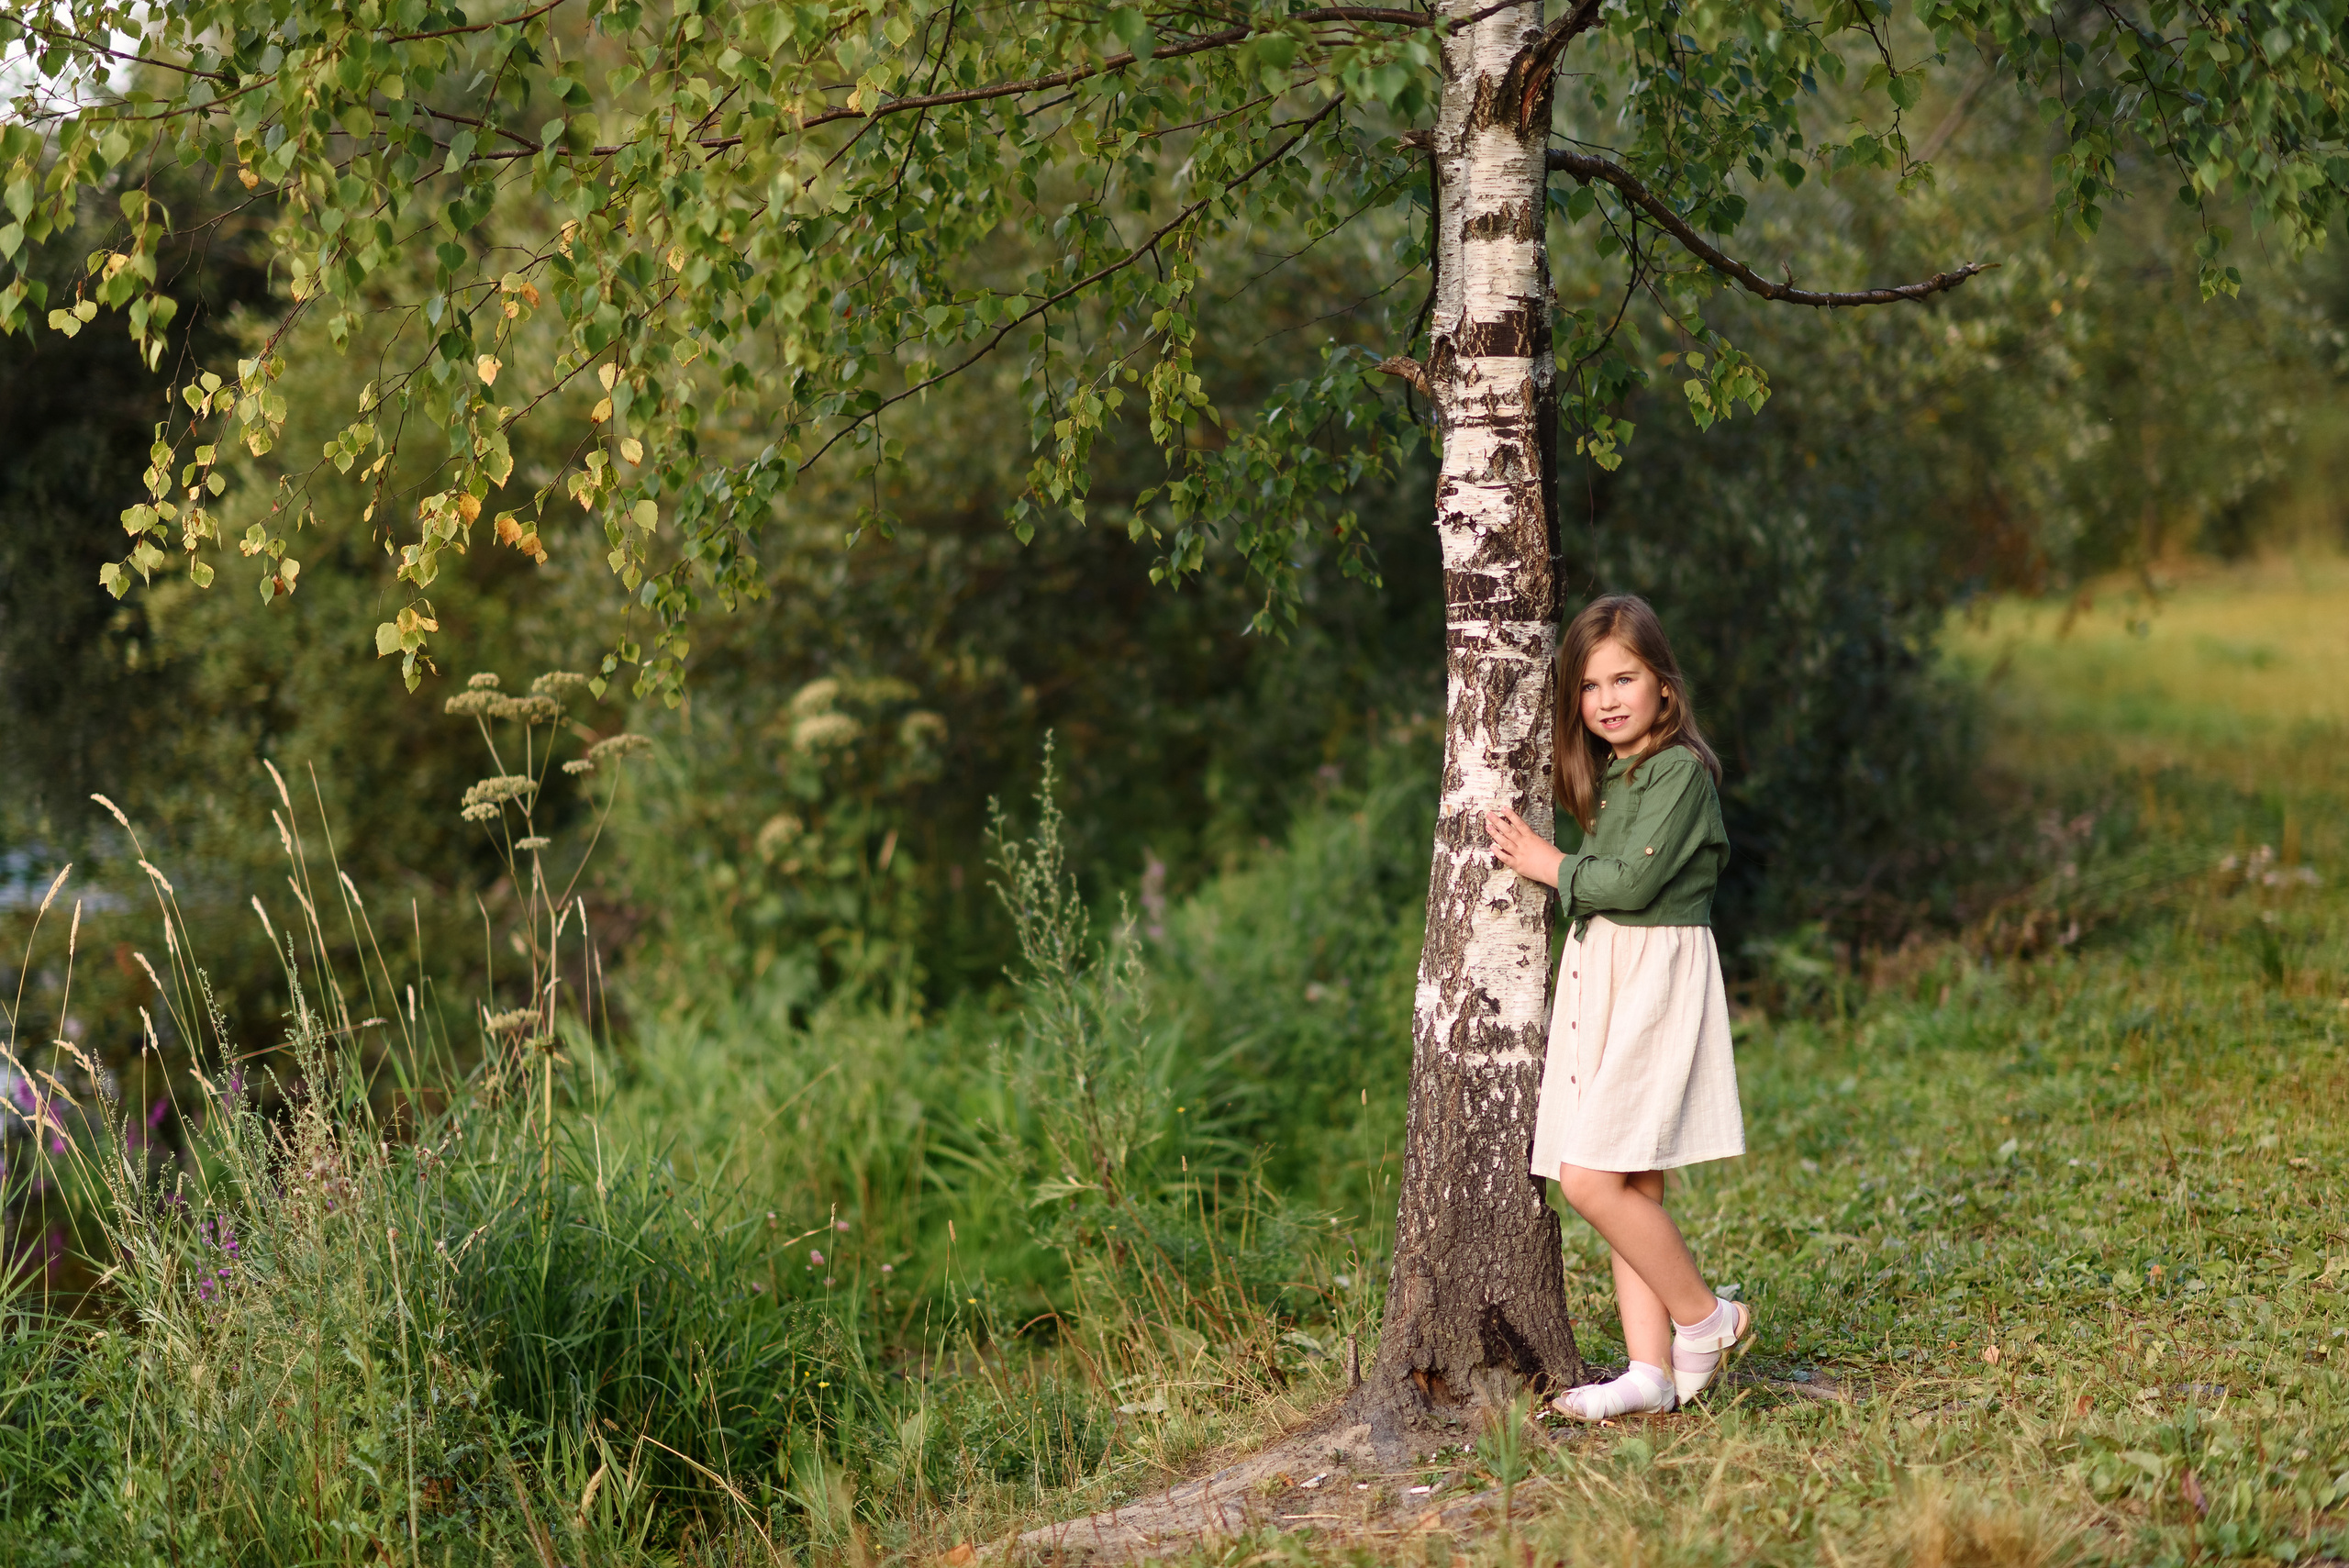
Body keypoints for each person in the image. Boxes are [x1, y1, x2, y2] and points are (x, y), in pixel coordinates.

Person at [1484, 593, 1751, 1420]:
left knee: (1589, 1175)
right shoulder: (1615, 775)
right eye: (1591, 685)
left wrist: (1546, 862)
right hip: (1605, 973)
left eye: (1624, 677)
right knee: (1631, 1173)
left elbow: (1631, 883)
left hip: (1654, 978)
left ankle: (1707, 1318)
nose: (1606, 698)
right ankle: (1651, 1370)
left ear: (1664, 687)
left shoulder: (1678, 771)